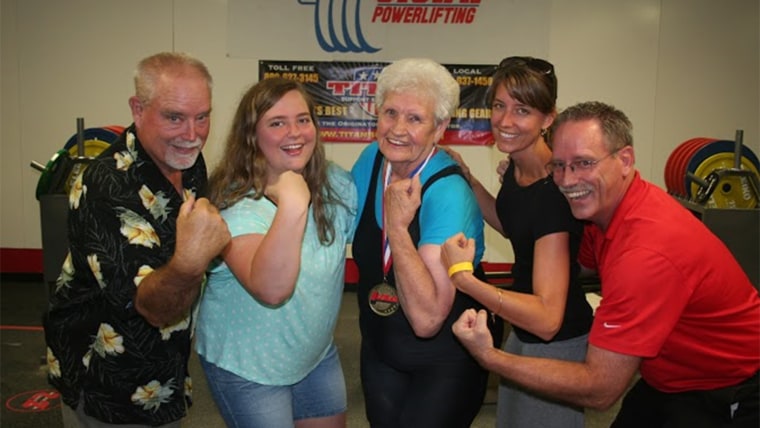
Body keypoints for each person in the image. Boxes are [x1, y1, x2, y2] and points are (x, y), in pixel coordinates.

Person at [450, 101, 760, 428]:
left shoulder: (646, 251)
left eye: (583, 163)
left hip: (729, 387)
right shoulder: (603, 212)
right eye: (559, 165)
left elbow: (600, 388)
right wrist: (520, 191)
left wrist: (490, 356)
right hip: (669, 378)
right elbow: (571, 261)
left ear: (624, 159)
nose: (568, 180)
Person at [44, 52, 231, 427]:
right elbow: (155, 308)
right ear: (138, 109)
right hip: (106, 387)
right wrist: (191, 260)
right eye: (174, 117)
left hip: (164, 377)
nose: (192, 134)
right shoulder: (104, 185)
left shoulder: (188, 163)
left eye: (202, 116)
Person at [194, 77, 357, 428]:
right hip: (250, 365)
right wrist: (293, 203)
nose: (295, 132)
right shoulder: (234, 206)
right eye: (277, 123)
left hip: (314, 354)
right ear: (252, 135)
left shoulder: (336, 184)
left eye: (303, 119)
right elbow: (272, 289)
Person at [350, 58, 503, 428]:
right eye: (390, 113)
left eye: (415, 118)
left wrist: (399, 230)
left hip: (445, 357)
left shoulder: (449, 193)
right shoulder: (372, 159)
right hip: (381, 346)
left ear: (440, 128)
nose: (398, 129)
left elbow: (427, 318)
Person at [441, 56, 593, 428]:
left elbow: (547, 318)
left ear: (548, 118)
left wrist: (465, 279)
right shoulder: (517, 167)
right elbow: (515, 227)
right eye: (499, 105)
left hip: (555, 344)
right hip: (521, 330)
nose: (505, 121)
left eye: (522, 110)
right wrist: (469, 180)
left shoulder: (552, 194)